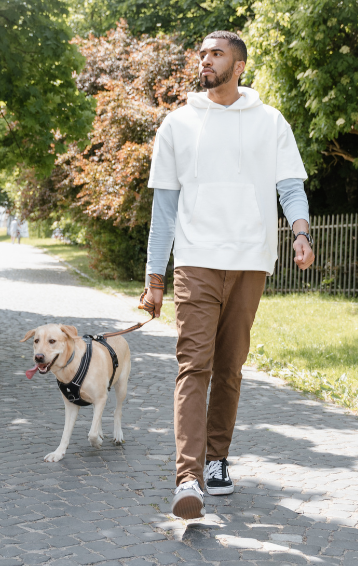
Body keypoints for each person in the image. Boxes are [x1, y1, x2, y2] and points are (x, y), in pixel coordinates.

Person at [140, 31, 315, 520]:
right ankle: (187, 477)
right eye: (202, 54)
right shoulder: (177, 124)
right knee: (193, 366)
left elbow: (290, 187)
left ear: (239, 65)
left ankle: (216, 460)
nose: (205, 61)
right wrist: (155, 275)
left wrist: (301, 233)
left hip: (251, 261)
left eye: (215, 54)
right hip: (196, 262)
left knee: (230, 368)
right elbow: (165, 209)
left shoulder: (271, 122)